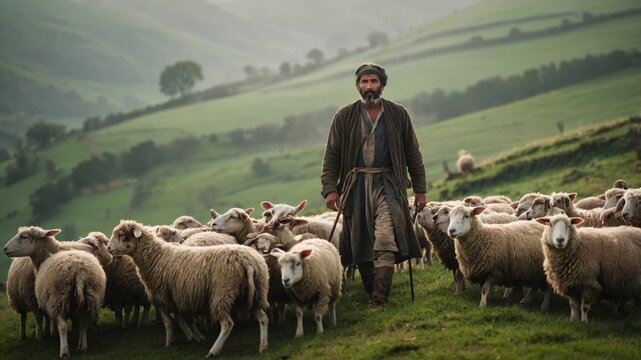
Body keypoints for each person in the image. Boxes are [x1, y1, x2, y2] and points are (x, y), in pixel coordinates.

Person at [321, 63, 427, 308]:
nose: (369, 87)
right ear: (358, 85)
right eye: (364, 82)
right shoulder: (344, 115)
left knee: (385, 238)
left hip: (388, 184)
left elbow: (413, 153)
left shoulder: (398, 114)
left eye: (374, 82)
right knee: (361, 242)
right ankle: (372, 294)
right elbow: (331, 154)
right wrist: (330, 188)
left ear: (382, 84)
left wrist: (420, 189)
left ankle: (380, 299)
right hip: (355, 185)